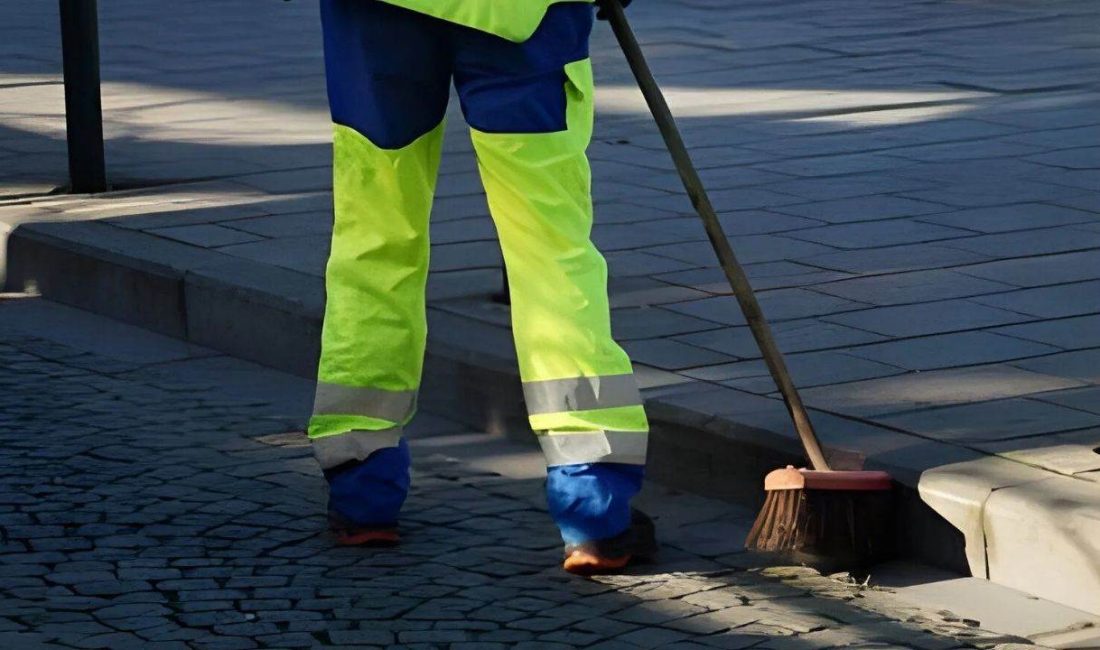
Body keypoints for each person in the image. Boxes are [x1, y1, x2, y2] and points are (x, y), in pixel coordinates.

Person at [308, 0, 656, 575]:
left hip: (375, 13)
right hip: (520, 15)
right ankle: (593, 504)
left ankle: (362, 487)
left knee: (374, 236)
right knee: (549, 250)